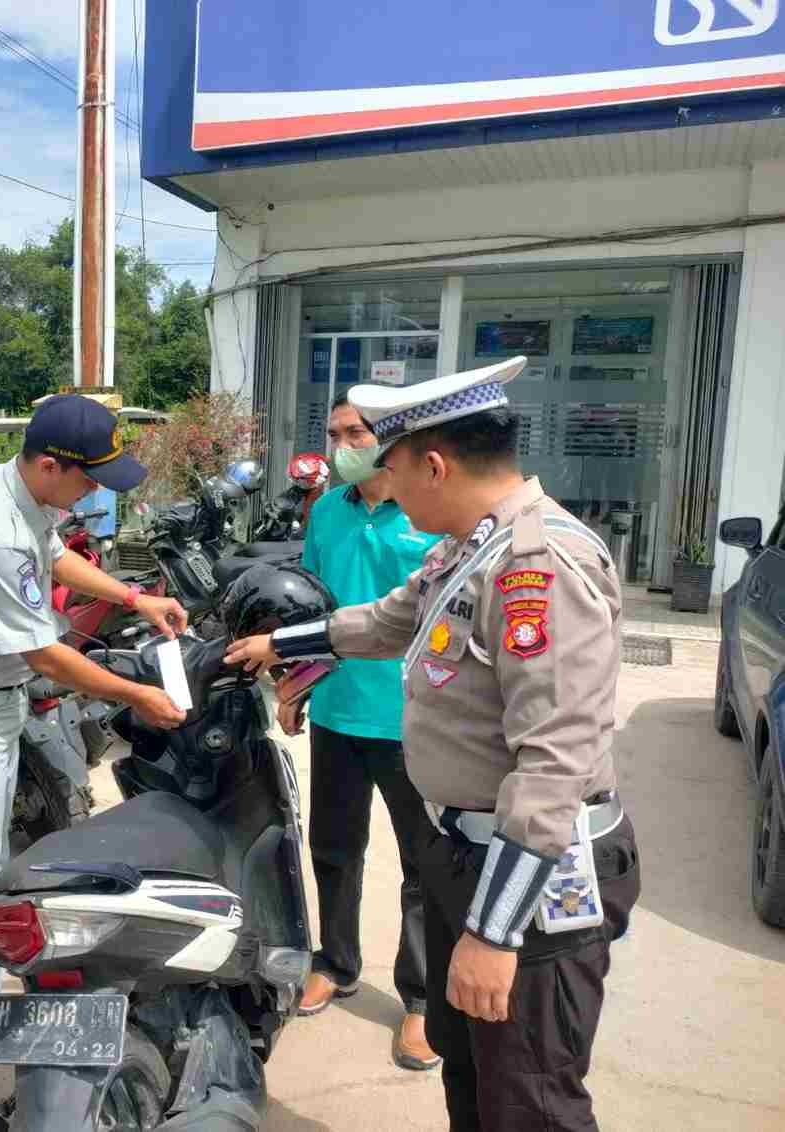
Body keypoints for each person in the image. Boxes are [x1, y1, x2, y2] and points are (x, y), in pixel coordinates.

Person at [227, 357, 640, 1131]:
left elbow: (553, 760)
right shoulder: (471, 545)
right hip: (470, 855)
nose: (386, 483)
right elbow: (391, 617)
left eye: (392, 465)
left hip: (533, 888)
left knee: (529, 1100)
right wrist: (282, 644)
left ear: (435, 464)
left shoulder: (536, 565)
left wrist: (494, 930)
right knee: (474, 1072)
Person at [0, 394, 190, 1132]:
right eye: (88, 479)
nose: (95, 493)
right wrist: (137, 693)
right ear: (48, 465)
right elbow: (40, 651)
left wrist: (135, 595)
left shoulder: (9, 487)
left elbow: (55, 554)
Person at [283, 391, 443, 1071]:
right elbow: (312, 604)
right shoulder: (325, 511)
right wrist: (294, 684)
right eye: (334, 432)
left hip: (414, 720)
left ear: (389, 440)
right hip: (338, 710)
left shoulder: (428, 516)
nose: (343, 443)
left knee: (424, 865)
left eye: (355, 433)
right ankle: (336, 961)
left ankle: (421, 1001)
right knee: (335, 848)